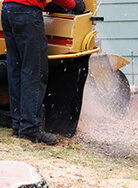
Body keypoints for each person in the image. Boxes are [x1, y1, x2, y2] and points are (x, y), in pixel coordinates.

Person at [1, 0, 85, 145]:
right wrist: (74, 5)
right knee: (35, 70)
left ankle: (18, 124)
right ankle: (30, 127)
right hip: (27, 12)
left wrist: (45, 4)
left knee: (16, 68)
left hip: (8, 9)